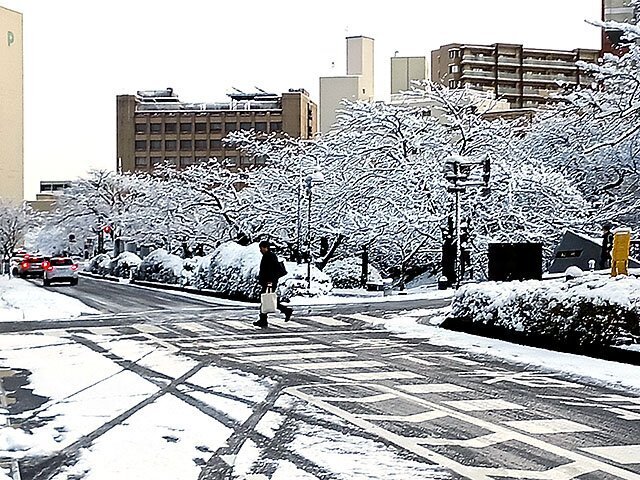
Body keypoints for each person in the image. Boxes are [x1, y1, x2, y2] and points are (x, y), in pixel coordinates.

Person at [254, 240, 293, 328]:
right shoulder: (268, 256)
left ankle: (285, 311)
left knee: (267, 300)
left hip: (269, 282)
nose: (260, 250)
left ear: (266, 248)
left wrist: (269, 281)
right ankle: (264, 319)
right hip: (268, 281)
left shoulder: (270, 257)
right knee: (267, 299)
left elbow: (271, 270)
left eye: (261, 248)